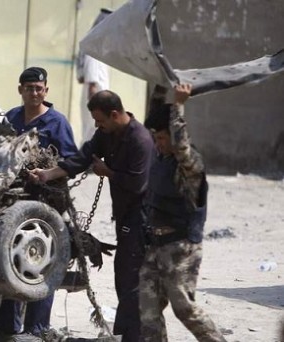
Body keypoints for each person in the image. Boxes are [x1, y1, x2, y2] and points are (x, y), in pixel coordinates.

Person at [30, 90, 154, 342]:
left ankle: (135, 337)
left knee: (131, 278)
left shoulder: (140, 140)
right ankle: (129, 334)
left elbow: (138, 183)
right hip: (125, 216)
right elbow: (81, 157)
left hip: (142, 217)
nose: (97, 125)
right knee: (124, 276)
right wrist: (48, 174)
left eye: (100, 120)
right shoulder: (106, 134)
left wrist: (107, 171)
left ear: (115, 114)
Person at [0, 67, 78, 342]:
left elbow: (72, 162)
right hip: (11, 203)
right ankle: (8, 329)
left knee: (40, 265)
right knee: (9, 264)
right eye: (29, 88)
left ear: (46, 90)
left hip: (45, 206)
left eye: (39, 88)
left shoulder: (57, 123)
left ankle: (37, 330)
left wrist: (47, 172)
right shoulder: (11, 117)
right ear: (20, 90)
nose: (34, 93)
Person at [139, 83, 227, 342]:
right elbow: (151, 125)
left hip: (181, 248)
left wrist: (178, 105)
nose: (159, 143)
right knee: (148, 310)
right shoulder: (160, 157)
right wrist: (157, 88)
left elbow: (180, 146)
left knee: (184, 309)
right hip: (155, 246)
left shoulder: (190, 164)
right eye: (157, 139)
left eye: (163, 138)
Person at [76, 8, 111, 142]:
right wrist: (96, 107)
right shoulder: (95, 49)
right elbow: (92, 84)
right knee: (92, 133)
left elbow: (81, 77)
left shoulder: (97, 48)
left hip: (96, 100)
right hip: (96, 100)